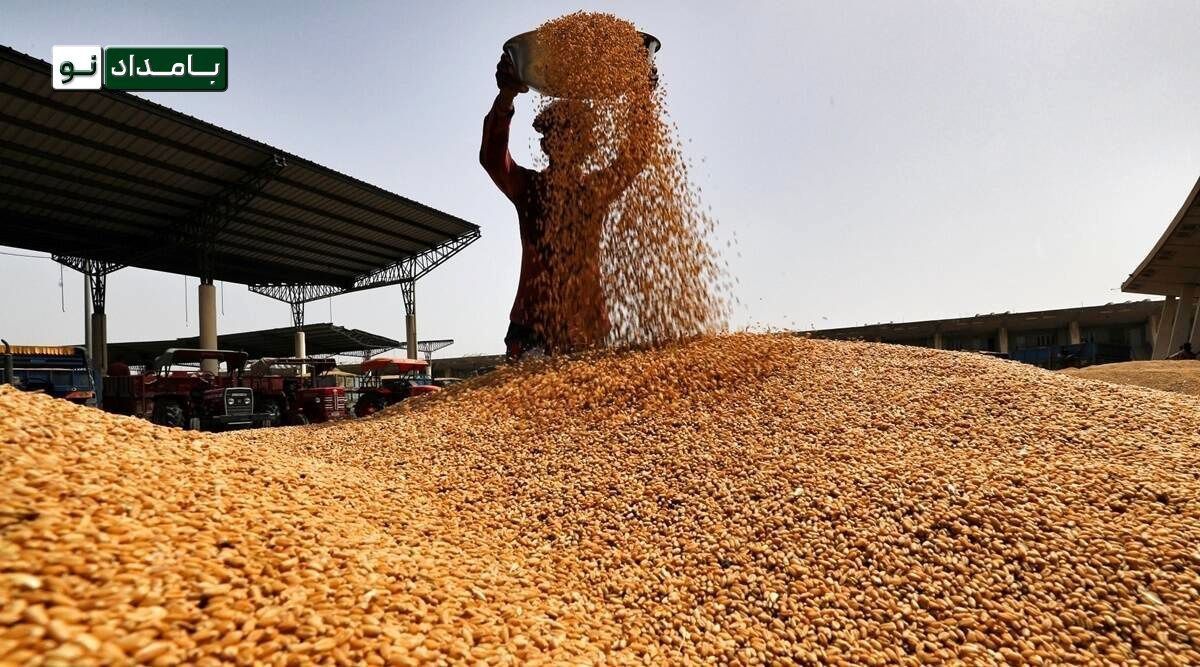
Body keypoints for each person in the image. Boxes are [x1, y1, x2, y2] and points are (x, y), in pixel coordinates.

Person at [480, 52, 655, 360]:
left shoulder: (594, 190)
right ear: (546, 143)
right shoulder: (528, 188)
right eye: (557, 133)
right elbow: (493, 157)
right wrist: (506, 96)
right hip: (530, 326)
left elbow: (635, 156)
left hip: (586, 327)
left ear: (589, 144)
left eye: (576, 135)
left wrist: (642, 98)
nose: (565, 141)